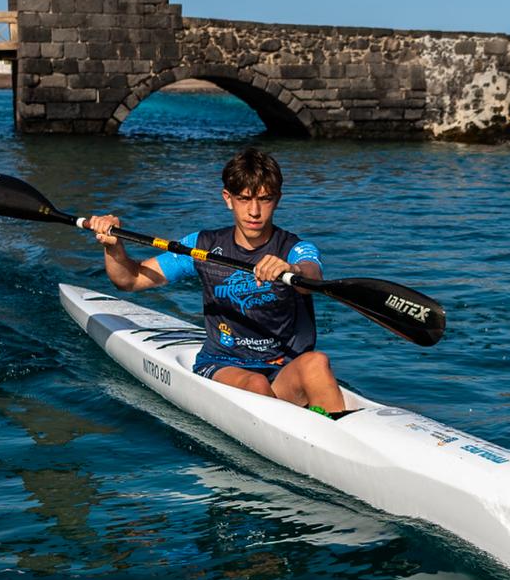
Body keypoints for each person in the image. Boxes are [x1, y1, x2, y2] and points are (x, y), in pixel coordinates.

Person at [86, 148, 346, 417]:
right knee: (256, 384)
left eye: (264, 199)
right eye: (244, 199)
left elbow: (311, 277)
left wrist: (291, 270)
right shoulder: (202, 246)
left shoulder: (296, 249)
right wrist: (113, 248)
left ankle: (343, 437)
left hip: (283, 367)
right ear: (228, 199)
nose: (254, 211)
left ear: (277, 200)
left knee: (317, 362)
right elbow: (130, 279)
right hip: (224, 363)